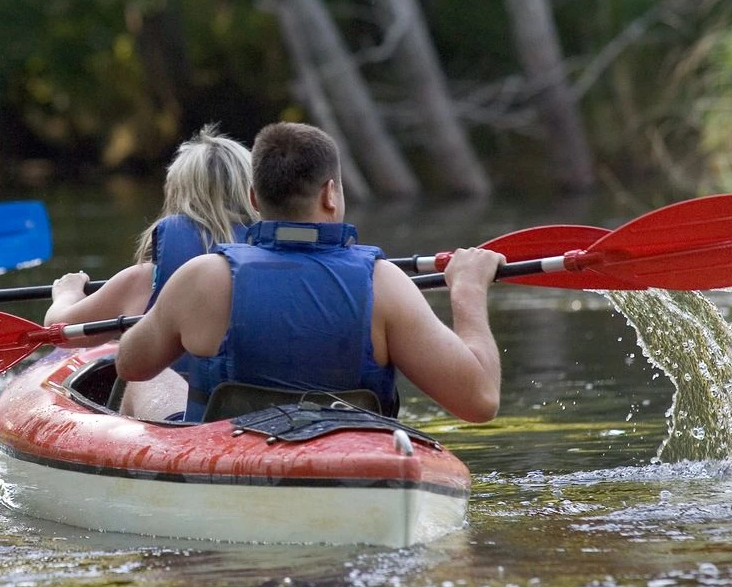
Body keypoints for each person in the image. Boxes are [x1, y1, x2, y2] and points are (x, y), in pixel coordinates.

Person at [116, 121, 504, 424]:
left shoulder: (201, 278)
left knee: (147, 378)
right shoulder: (384, 284)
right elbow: (481, 400)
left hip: (227, 461)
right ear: (330, 193)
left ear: (254, 198)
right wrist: (467, 289)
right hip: (351, 466)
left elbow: (131, 364)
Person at [45, 125, 257, 416]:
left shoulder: (144, 281)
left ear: (174, 197)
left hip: (186, 427)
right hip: (261, 417)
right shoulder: (275, 271)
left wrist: (66, 294)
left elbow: (60, 332)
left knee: (144, 375)